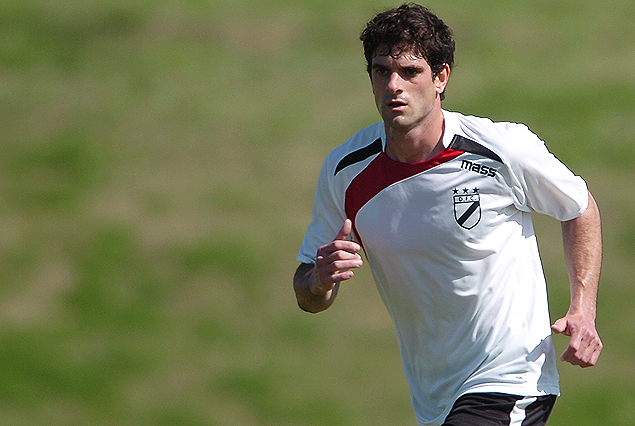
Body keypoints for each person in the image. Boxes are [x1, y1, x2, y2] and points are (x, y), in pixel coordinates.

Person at [293, 3, 603, 426]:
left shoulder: (500, 150)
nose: (393, 85)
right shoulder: (345, 171)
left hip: (510, 377)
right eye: (381, 71)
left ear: (441, 77)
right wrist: (319, 278)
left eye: (410, 71)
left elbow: (579, 207)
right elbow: (308, 295)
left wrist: (583, 310)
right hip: (435, 398)